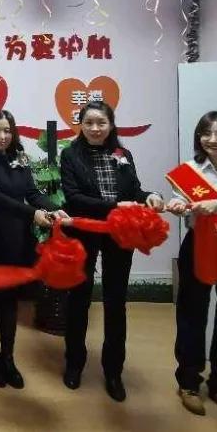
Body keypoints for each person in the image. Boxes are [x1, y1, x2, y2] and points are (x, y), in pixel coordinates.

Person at [60, 100, 163, 402]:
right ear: (81, 125)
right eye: (89, 123)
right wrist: (115, 205)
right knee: (78, 299)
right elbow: (74, 198)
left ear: (111, 125)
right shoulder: (70, 155)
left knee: (116, 302)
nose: (95, 128)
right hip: (84, 232)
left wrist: (151, 196)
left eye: (101, 123)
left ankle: (114, 371)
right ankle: (74, 364)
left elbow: (135, 191)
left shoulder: (123, 154)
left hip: (120, 234)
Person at [0, 110, 64, 389]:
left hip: (17, 240)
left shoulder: (20, 158)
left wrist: (53, 208)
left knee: (10, 301)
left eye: (7, 130)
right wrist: (32, 213)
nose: (2, 136)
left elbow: (31, 193)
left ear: (13, 133)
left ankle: (7, 358)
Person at [165, 111, 217, 419]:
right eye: (207, 133)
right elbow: (184, 207)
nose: (213, 139)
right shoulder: (190, 171)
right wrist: (179, 206)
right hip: (199, 245)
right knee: (192, 313)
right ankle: (189, 382)